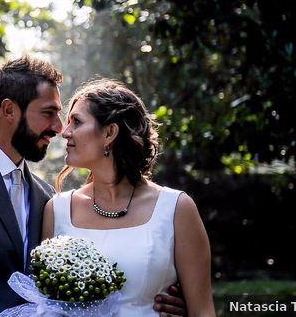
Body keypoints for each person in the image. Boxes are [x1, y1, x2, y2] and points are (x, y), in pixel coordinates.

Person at [0, 57, 187, 317]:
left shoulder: (45, 198)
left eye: (63, 116)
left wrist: (157, 299)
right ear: (9, 111)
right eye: (48, 113)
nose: (58, 127)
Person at [42, 78, 214, 317]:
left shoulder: (176, 209)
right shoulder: (57, 210)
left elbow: (202, 311)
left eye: (77, 122)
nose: (65, 132)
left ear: (110, 133)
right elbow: (44, 305)